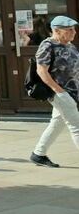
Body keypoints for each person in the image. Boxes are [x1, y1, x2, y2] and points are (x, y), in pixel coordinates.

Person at [29, 15, 79, 168]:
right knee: (76, 125)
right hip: (60, 93)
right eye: (69, 30)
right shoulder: (47, 45)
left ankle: (38, 153)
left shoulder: (70, 46)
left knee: (57, 123)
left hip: (72, 92)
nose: (74, 32)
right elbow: (41, 71)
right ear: (56, 30)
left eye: (74, 29)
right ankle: (38, 153)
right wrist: (58, 91)